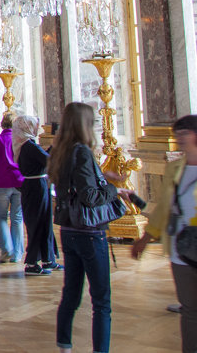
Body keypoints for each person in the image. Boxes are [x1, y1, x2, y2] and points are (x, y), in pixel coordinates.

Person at [133, 114, 197, 352]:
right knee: (191, 311)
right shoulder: (174, 169)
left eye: (184, 133)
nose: (179, 138)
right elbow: (164, 209)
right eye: (177, 133)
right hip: (184, 251)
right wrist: (145, 239)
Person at [50, 102, 136, 353]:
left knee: (71, 294)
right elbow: (90, 196)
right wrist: (115, 190)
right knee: (101, 301)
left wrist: (104, 178)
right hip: (90, 232)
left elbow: (74, 185)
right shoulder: (83, 152)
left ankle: (64, 346)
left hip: (68, 229)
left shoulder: (59, 151)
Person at [13, 114, 59, 275]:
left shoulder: (27, 145)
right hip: (35, 188)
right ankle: (32, 263)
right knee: (37, 224)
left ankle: (48, 259)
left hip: (38, 185)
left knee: (44, 223)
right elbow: (48, 161)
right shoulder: (28, 146)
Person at [0, 112, 24, 264]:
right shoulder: (20, 140)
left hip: (1, 182)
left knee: (1, 217)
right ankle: (17, 254)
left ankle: (7, 248)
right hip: (19, 182)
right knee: (17, 218)